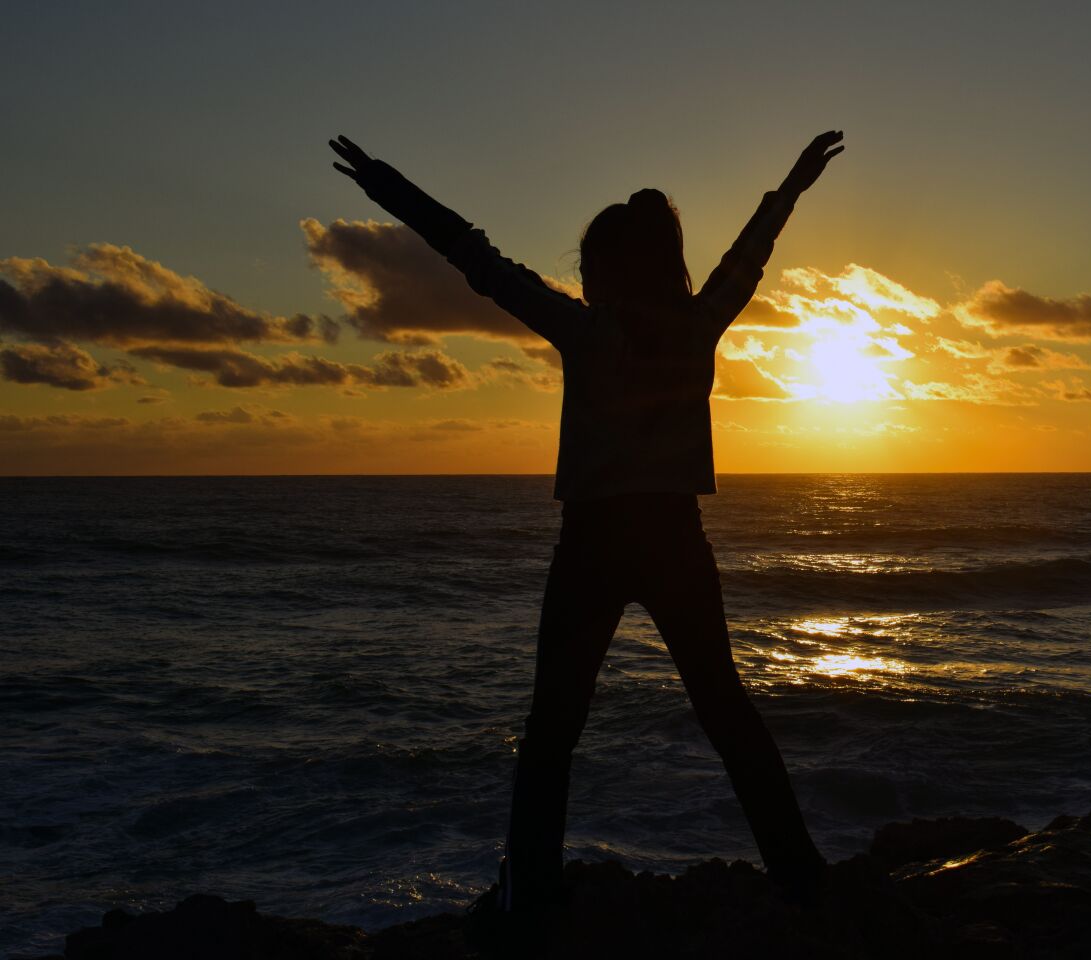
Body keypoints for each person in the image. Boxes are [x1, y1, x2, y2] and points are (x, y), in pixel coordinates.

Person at [327, 131, 845, 920]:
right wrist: (794, 184)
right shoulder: (696, 324)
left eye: (587, 266)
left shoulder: (586, 330)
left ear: (606, 270)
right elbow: (753, 249)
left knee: (552, 733)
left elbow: (478, 258)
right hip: (674, 541)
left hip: (595, 546)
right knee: (726, 712)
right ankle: (801, 875)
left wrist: (387, 188)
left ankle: (530, 899)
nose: (580, 277)